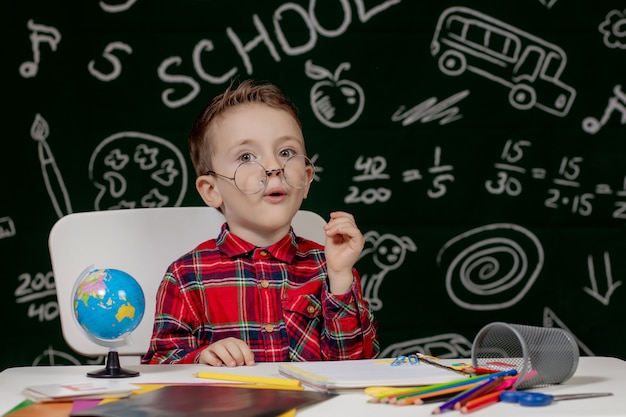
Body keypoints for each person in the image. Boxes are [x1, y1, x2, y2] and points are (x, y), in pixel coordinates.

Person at [142, 79, 379, 367]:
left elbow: (358, 367)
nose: (273, 167)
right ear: (211, 190)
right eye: (246, 156)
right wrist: (200, 358)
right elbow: (159, 364)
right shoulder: (185, 277)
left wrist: (341, 278)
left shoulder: (328, 268)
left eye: (286, 153)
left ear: (306, 178)